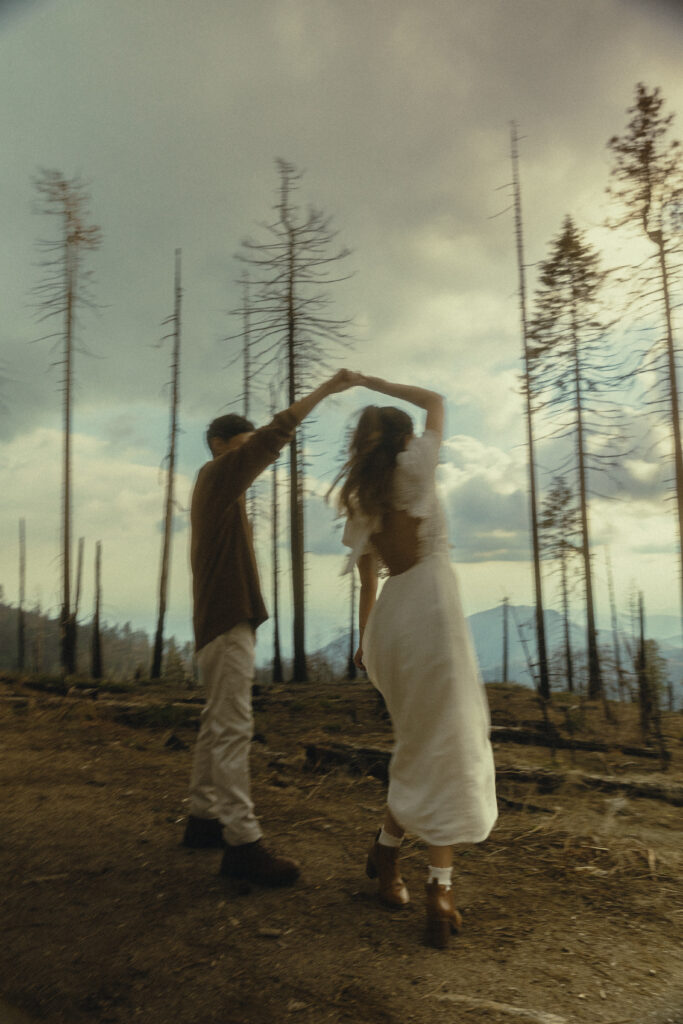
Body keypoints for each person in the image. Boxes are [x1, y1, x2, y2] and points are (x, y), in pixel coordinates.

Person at [335, 374, 497, 947]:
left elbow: (366, 581)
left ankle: (385, 854)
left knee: (420, 743)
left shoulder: (362, 497)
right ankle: (440, 886)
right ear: (406, 439)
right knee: (446, 745)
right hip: (433, 615)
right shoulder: (417, 468)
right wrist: (366, 380)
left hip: (392, 623)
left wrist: (364, 640)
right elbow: (437, 398)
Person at [183, 368, 360, 886]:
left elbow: (262, 443)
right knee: (234, 729)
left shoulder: (217, 490)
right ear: (219, 446)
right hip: (224, 621)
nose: (250, 459)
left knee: (217, 723)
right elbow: (273, 435)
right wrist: (325, 391)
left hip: (217, 621)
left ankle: (202, 819)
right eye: (239, 448)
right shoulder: (218, 477)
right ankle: (242, 845)